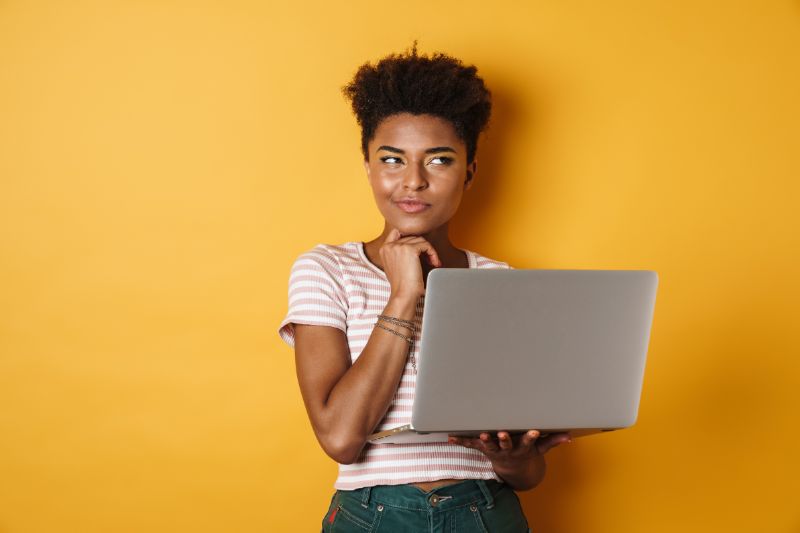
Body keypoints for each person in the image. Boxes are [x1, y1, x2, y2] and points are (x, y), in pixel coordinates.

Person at [278, 43, 571, 532]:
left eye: (438, 161)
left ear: (469, 172)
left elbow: (529, 475)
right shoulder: (326, 269)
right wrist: (404, 294)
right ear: (369, 166)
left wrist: (515, 456)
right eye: (392, 160)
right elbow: (341, 439)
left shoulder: (499, 283)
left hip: (485, 512)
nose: (412, 181)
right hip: (372, 516)